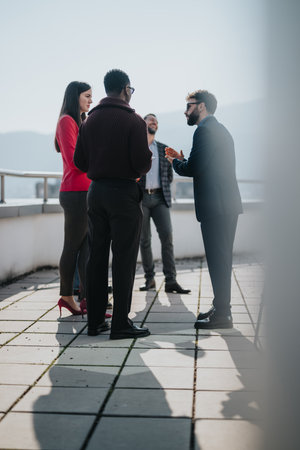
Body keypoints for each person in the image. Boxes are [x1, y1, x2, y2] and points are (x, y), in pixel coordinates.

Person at [74, 69, 152, 339]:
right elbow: (142, 163)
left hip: (96, 193)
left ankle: (95, 322)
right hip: (124, 193)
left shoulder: (89, 120)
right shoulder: (134, 121)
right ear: (126, 89)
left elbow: (79, 162)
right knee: (124, 258)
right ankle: (120, 323)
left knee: (96, 257)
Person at [165, 90, 243, 329]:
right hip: (228, 204)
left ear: (201, 106)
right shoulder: (221, 130)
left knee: (218, 261)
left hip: (215, 207)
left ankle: (223, 316)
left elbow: (195, 168)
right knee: (223, 259)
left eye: (188, 106)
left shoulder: (204, 130)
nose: (185, 111)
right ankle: (222, 308)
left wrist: (175, 162)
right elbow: (210, 165)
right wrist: (184, 159)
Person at [138, 113, 191, 294]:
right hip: (141, 199)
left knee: (167, 238)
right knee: (144, 241)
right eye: (150, 119)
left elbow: (169, 176)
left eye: (156, 121)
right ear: (142, 123)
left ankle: (171, 281)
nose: (154, 122)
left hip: (160, 198)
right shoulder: (136, 147)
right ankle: (149, 279)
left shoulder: (163, 149)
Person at [55, 81, 92, 317]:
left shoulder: (82, 121)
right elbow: (74, 161)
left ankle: (88, 299)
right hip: (75, 193)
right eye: (87, 96)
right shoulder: (66, 121)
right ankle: (66, 296)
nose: (91, 100)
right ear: (74, 97)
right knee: (72, 247)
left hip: (87, 192)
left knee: (88, 249)